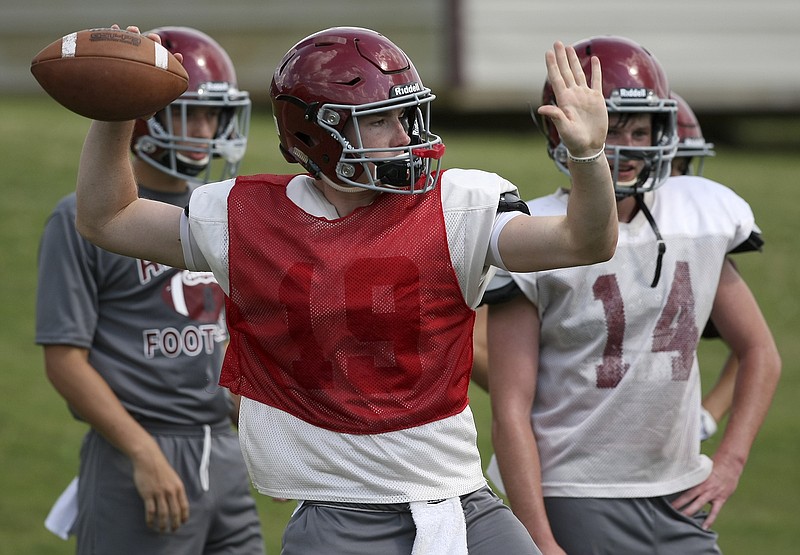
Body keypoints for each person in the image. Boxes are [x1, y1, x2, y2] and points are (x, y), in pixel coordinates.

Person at [71, 24, 619, 555]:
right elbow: (107, 219)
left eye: (407, 116)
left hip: (461, 498)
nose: (406, 136)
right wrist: (117, 113)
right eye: (382, 121)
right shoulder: (246, 216)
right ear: (317, 132)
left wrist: (590, 158)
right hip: (339, 510)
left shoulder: (457, 207)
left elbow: (583, 242)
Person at [484, 35, 780, 555]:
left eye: (638, 130)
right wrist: (540, 538)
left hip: (680, 485)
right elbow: (511, 410)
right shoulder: (533, 233)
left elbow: (760, 352)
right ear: (561, 129)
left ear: (662, 132)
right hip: (575, 488)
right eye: (609, 126)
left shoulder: (699, 218)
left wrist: (730, 459)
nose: (623, 146)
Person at [36, 26, 264, 555]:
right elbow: (64, 360)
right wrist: (142, 452)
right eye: (193, 114)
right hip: (139, 447)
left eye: (216, 116)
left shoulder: (219, 212)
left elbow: (228, 338)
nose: (207, 131)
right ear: (144, 119)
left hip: (223, 452)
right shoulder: (76, 219)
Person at [671, 91, 737, 440]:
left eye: (679, 165)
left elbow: (754, 350)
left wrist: (705, 419)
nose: (677, 178)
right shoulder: (566, 237)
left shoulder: (694, 244)